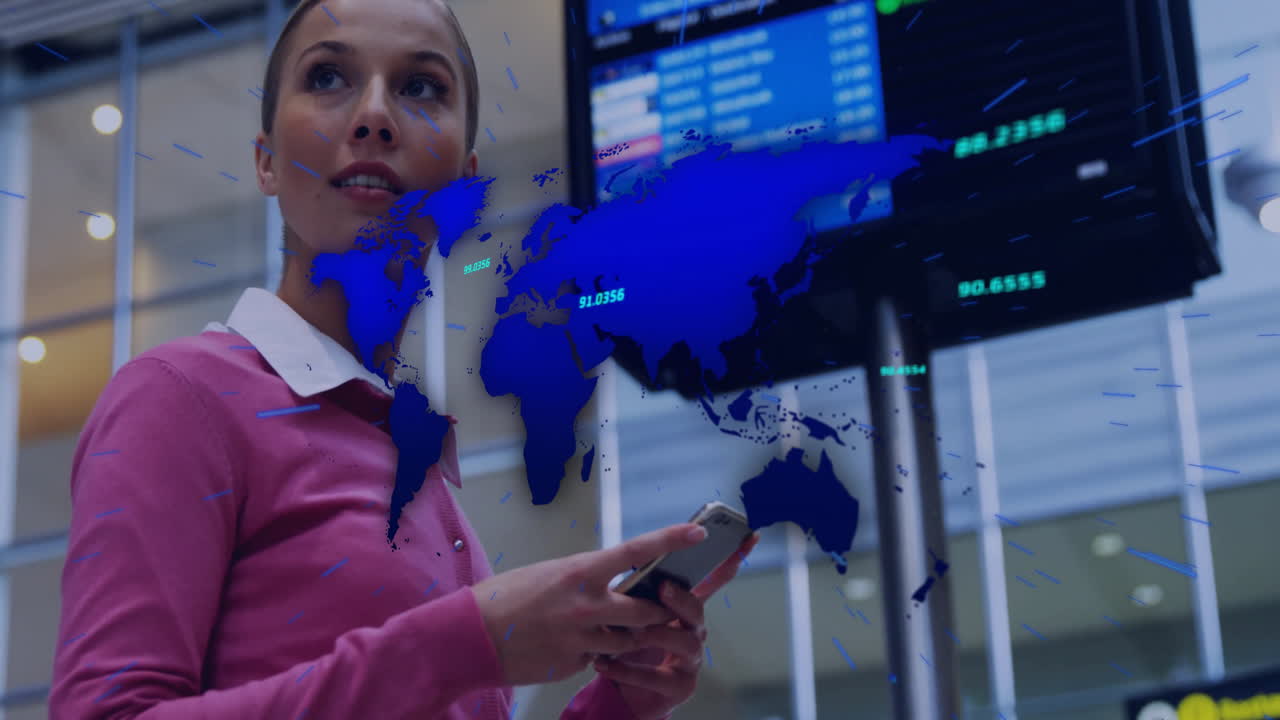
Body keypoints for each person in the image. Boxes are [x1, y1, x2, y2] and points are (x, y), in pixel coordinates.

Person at [47, 0, 760, 718]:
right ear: (266, 161)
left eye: (420, 87)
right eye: (328, 77)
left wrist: (618, 705)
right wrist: (467, 641)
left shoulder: (415, 473)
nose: (374, 116)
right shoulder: (178, 398)